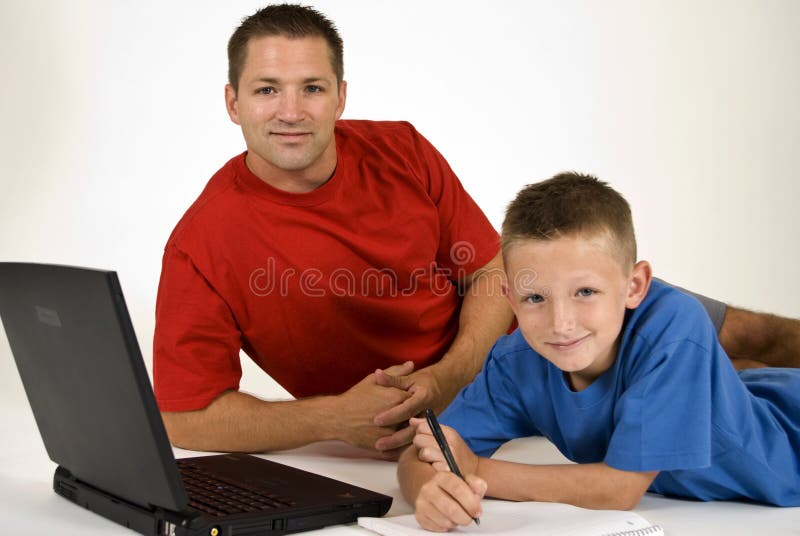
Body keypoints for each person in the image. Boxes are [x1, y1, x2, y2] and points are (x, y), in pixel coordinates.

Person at [153, 4, 798, 459]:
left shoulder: (400, 150)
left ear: (341, 96)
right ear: (233, 101)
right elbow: (186, 416)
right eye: (267, 90)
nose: (291, 112)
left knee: (751, 333)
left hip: (547, 304)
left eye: (311, 88)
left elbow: (491, 268)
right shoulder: (201, 242)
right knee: (732, 381)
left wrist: (453, 371)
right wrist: (333, 418)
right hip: (513, 387)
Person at [397, 173, 800, 532]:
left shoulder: (675, 325)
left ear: (635, 285)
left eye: (585, 292)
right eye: (535, 297)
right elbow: (426, 451)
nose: (561, 323)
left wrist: (477, 470)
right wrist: (432, 491)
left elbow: (619, 488)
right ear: (510, 300)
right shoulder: (514, 361)